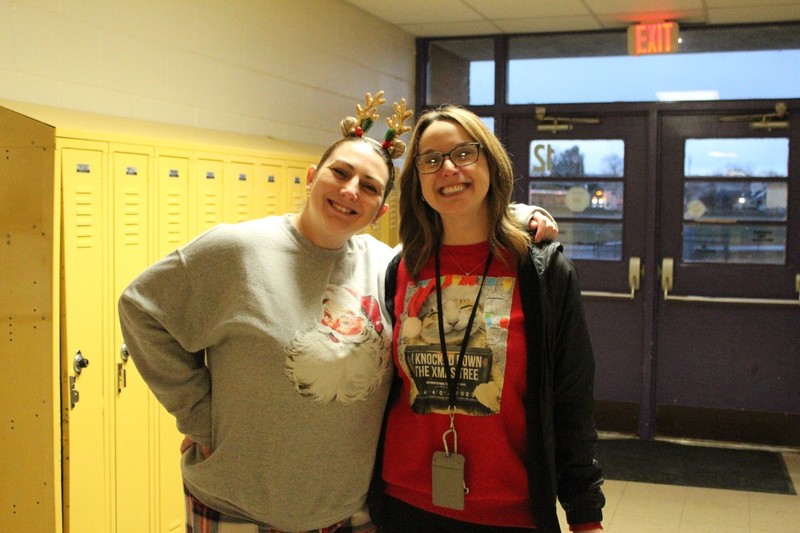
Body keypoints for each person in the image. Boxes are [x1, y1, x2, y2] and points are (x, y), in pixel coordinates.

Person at [117, 92, 559, 533]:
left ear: (380, 211)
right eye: (340, 173)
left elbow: (461, 228)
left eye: (369, 187)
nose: (350, 191)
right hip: (238, 506)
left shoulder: (389, 267)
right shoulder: (237, 250)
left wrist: (520, 213)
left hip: (350, 512)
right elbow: (142, 309)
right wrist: (199, 415)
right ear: (312, 177)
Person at [373, 105, 605, 533]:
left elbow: (571, 399)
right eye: (430, 159)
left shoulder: (542, 271)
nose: (448, 168)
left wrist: (585, 512)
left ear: (491, 164)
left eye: (464, 153)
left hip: (509, 511)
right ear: (417, 179)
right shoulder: (402, 268)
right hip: (404, 502)